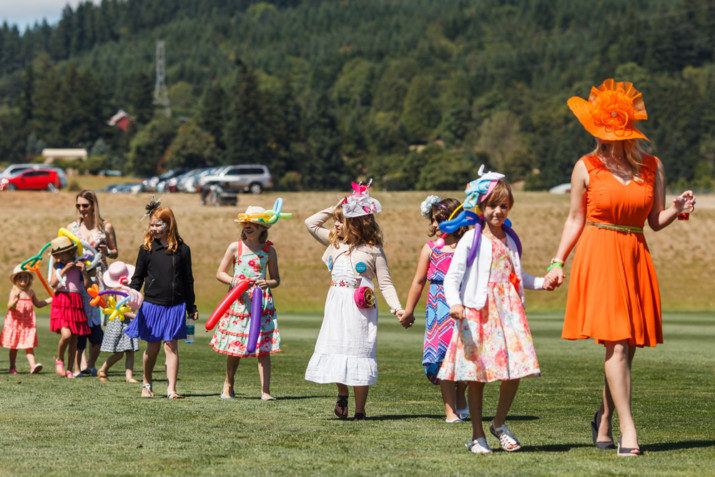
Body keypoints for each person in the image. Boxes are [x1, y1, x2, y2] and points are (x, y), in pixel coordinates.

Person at [544, 79, 696, 456]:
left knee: (626, 348)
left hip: (634, 253)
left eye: (618, 130)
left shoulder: (652, 166)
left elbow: (655, 220)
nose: (611, 137)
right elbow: (574, 220)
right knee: (616, 343)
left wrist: (676, 208)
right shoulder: (586, 166)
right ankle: (629, 432)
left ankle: (605, 417)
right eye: (605, 131)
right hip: (598, 252)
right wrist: (557, 261)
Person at [438, 170, 554, 454]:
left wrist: (542, 282)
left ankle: (499, 424)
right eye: (492, 205)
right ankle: (478, 436)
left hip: (509, 313)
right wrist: (454, 303)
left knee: (514, 371)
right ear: (480, 207)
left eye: (503, 205)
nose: (498, 211)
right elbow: (453, 277)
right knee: (477, 375)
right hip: (478, 312)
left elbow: (517, 275)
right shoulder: (470, 240)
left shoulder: (511, 240)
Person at [304, 182, 404, 420]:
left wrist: (397, 308)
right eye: (336, 220)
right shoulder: (334, 242)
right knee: (337, 350)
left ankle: (360, 410)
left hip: (360, 309)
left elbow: (386, 283)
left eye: (341, 221)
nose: (335, 224)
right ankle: (342, 394)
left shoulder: (373, 250)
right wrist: (335, 208)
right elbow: (310, 223)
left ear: (357, 223)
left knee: (359, 351)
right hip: (336, 305)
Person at [400, 196, 468, 422]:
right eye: (434, 220)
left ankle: (461, 393)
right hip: (439, 309)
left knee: (466, 356)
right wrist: (409, 310)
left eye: (441, 219)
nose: (436, 225)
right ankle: (450, 412)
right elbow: (418, 282)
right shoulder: (430, 249)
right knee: (443, 358)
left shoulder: (469, 245)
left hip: (464, 305)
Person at [124, 204, 198, 398]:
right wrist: (131, 294)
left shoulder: (183, 250)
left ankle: (171, 389)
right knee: (153, 346)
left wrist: (191, 306)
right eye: (151, 225)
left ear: (169, 224)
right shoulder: (146, 249)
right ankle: (146, 383)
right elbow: (137, 277)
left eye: (158, 225)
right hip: (152, 305)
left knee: (171, 346)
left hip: (176, 305)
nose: (154, 229)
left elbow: (188, 279)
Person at [210, 206, 281, 400]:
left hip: (261, 303)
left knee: (263, 348)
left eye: (253, 224)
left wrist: (267, 283)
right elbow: (220, 273)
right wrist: (235, 281)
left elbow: (276, 279)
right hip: (239, 302)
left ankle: (265, 391)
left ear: (262, 228)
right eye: (246, 224)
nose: (248, 227)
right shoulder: (235, 247)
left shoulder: (269, 250)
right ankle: (228, 384)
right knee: (235, 347)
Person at [69, 190, 118, 377]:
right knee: (80, 318)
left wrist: (107, 252)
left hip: (99, 276)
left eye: (85, 205)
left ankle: (90, 364)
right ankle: (78, 365)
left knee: (95, 319)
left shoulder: (106, 227)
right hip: (79, 277)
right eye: (78, 206)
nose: (82, 209)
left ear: (94, 205)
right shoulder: (72, 228)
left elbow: (115, 252)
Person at [48, 236, 92, 378]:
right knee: (66, 335)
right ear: (58, 256)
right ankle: (59, 359)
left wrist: (84, 272)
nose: (67, 256)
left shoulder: (79, 265)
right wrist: (65, 268)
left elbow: (86, 286)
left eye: (69, 253)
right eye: (63, 254)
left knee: (74, 338)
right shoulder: (57, 265)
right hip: (62, 300)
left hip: (75, 301)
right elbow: (53, 283)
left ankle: (70, 368)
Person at [97, 261, 142, 383]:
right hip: (120, 323)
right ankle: (102, 369)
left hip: (128, 323)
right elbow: (121, 310)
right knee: (119, 352)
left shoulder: (127, 291)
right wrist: (136, 316)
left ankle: (129, 377)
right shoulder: (119, 293)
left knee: (130, 351)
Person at [1, 265, 51, 374]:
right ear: (15, 280)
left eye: (25, 277)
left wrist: (50, 299)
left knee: (29, 346)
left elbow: (38, 304)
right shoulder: (14, 291)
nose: (23, 279)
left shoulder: (31, 292)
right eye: (20, 277)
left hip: (28, 324)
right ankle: (12, 367)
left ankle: (33, 366)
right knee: (14, 347)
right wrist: (15, 300)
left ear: (29, 279)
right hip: (16, 324)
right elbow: (9, 306)